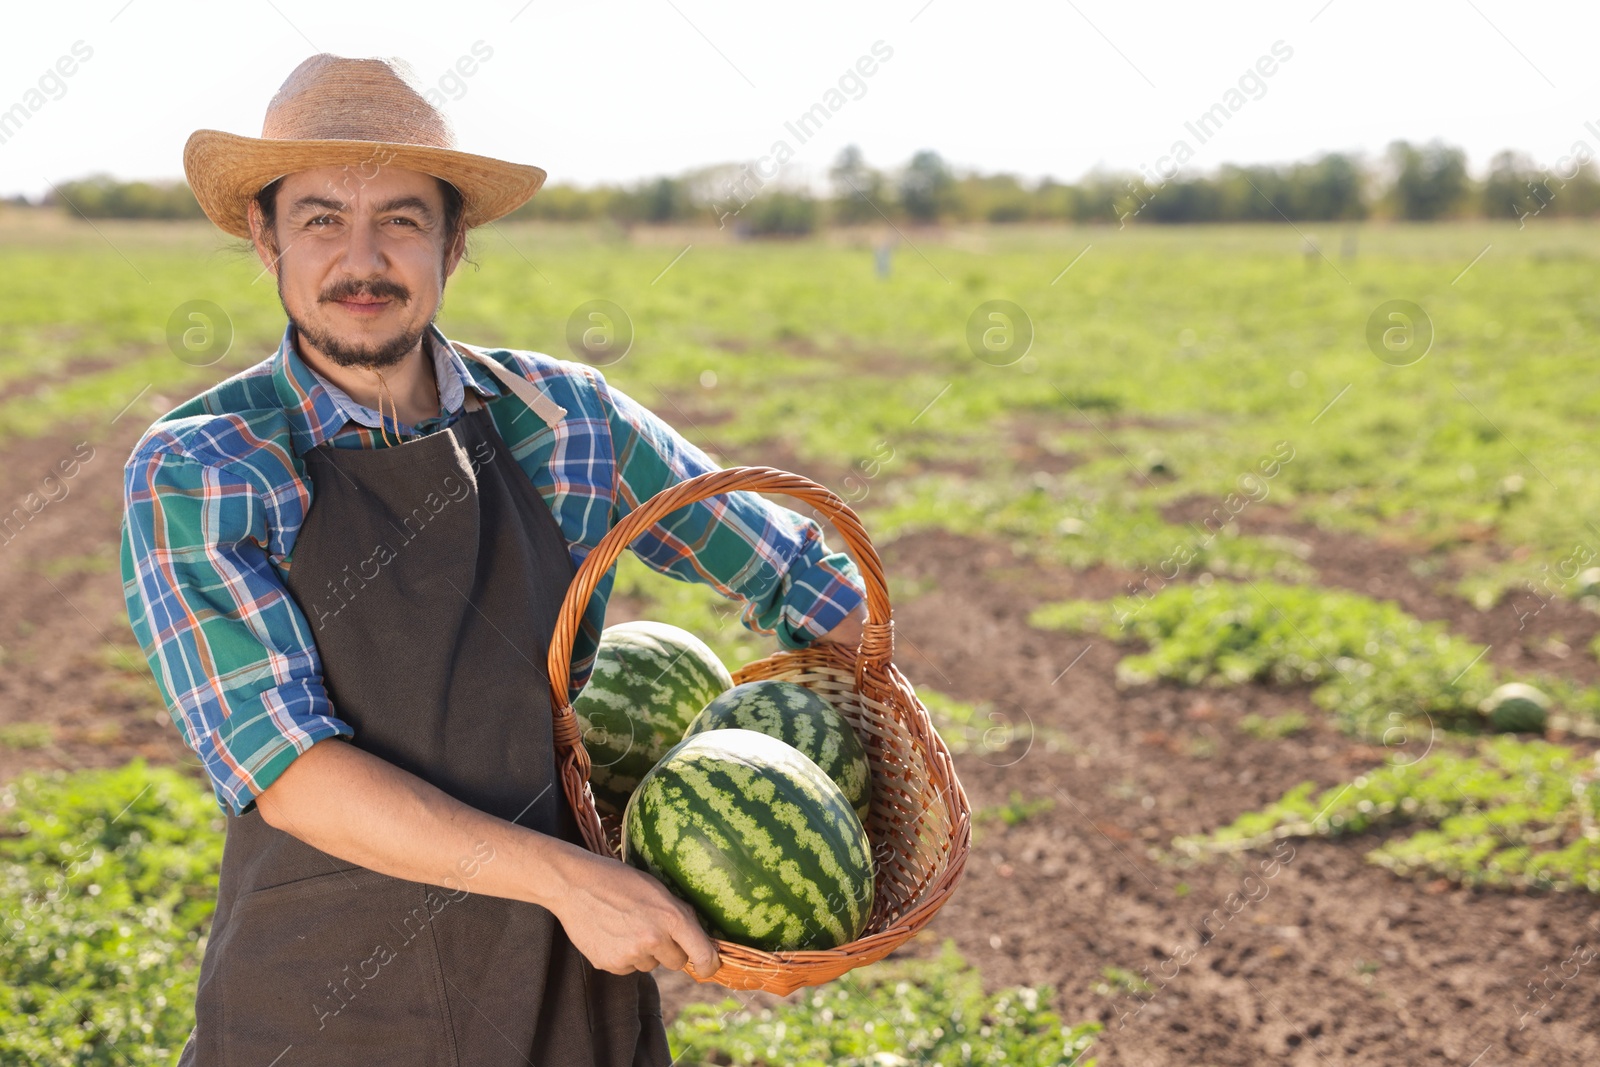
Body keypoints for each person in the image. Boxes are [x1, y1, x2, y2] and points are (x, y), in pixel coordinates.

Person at [119, 53, 868, 1066]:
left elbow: (797, 574)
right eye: (321, 218)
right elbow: (284, 765)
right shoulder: (203, 465)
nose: (362, 258)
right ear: (265, 237)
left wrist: (860, 750)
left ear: (454, 238)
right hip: (323, 1002)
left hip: (561, 991)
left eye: (400, 217)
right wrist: (570, 879)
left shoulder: (564, 419)